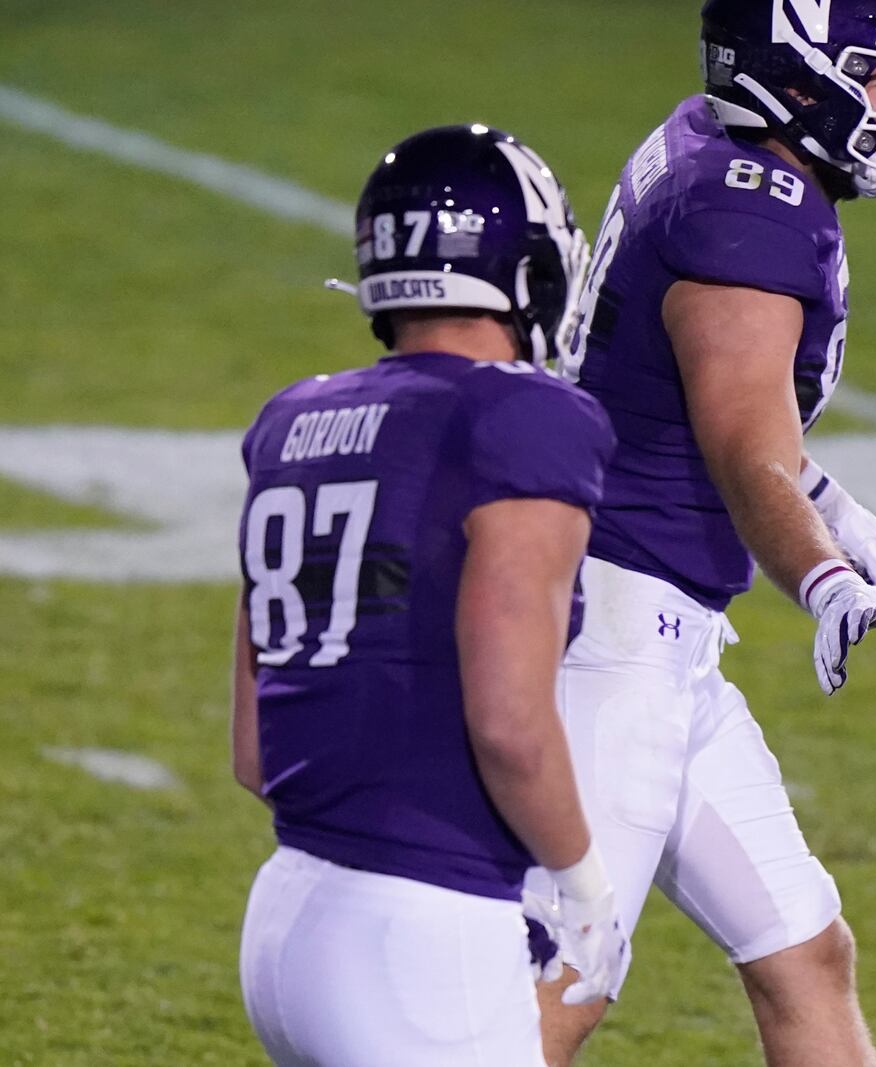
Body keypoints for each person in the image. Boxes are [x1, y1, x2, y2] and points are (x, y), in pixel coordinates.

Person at [523, 3, 876, 1065]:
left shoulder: (711, 143)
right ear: (798, 76)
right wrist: (822, 573)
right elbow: (736, 436)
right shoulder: (752, 212)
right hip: (617, 637)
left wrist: (824, 489)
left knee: (801, 951)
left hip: (648, 628)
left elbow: (708, 399)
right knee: (561, 980)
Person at [232, 124, 628, 1067]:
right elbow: (508, 721)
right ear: (525, 271)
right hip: (419, 931)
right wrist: (583, 885)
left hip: (287, 911)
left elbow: (254, 748)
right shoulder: (523, 416)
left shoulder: (293, 419)